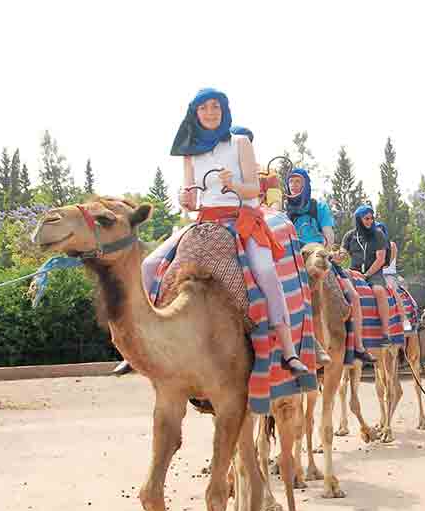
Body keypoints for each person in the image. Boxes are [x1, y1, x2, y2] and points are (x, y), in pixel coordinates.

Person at [119, 88, 310, 377]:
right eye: (204, 108)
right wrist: (186, 199)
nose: (210, 112)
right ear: (194, 113)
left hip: (240, 219)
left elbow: (253, 190)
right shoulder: (190, 152)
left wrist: (233, 184)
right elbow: (193, 199)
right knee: (148, 266)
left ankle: (288, 350)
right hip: (204, 223)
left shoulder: (240, 143)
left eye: (215, 107)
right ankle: (138, 347)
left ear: (224, 110)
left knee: (266, 271)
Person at [341, 206, 394, 347]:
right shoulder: (349, 236)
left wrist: (366, 275)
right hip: (353, 271)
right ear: (359, 219)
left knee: (379, 291)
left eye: (371, 218)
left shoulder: (378, 235)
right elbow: (343, 255)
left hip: (373, 274)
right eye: (366, 219)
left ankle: (385, 333)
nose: (370, 221)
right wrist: (336, 256)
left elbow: (381, 259)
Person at [285, 168, 336, 246]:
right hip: (294, 252)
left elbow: (329, 235)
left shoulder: (320, 207)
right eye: (290, 181)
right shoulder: (285, 212)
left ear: (305, 185)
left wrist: (325, 253)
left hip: (315, 250)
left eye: (297, 181)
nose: (293, 184)